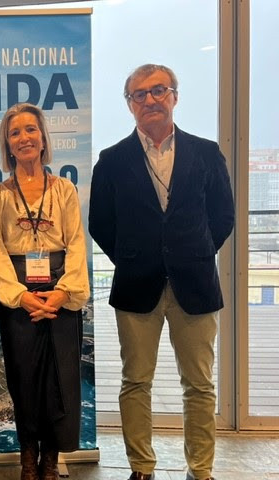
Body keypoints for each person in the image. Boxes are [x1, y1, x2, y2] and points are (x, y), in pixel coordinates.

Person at [88, 64, 235, 480]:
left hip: (197, 284)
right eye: (139, 94)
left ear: (174, 95)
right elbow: (101, 223)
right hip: (137, 287)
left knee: (200, 385)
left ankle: (201, 469)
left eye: (158, 91)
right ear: (129, 104)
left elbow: (223, 215)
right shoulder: (112, 160)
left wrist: (196, 253)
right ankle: (141, 467)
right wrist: (133, 258)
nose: (150, 100)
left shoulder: (206, 152)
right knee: (136, 381)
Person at [0, 103, 90, 480]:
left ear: (43, 138)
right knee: (24, 380)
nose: (24, 138)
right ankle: (27, 457)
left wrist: (63, 293)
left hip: (61, 290)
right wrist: (19, 295)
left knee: (59, 379)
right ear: (7, 144)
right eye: (15, 133)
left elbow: (77, 243)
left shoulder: (63, 189)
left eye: (31, 130)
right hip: (20, 295)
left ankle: (51, 458)